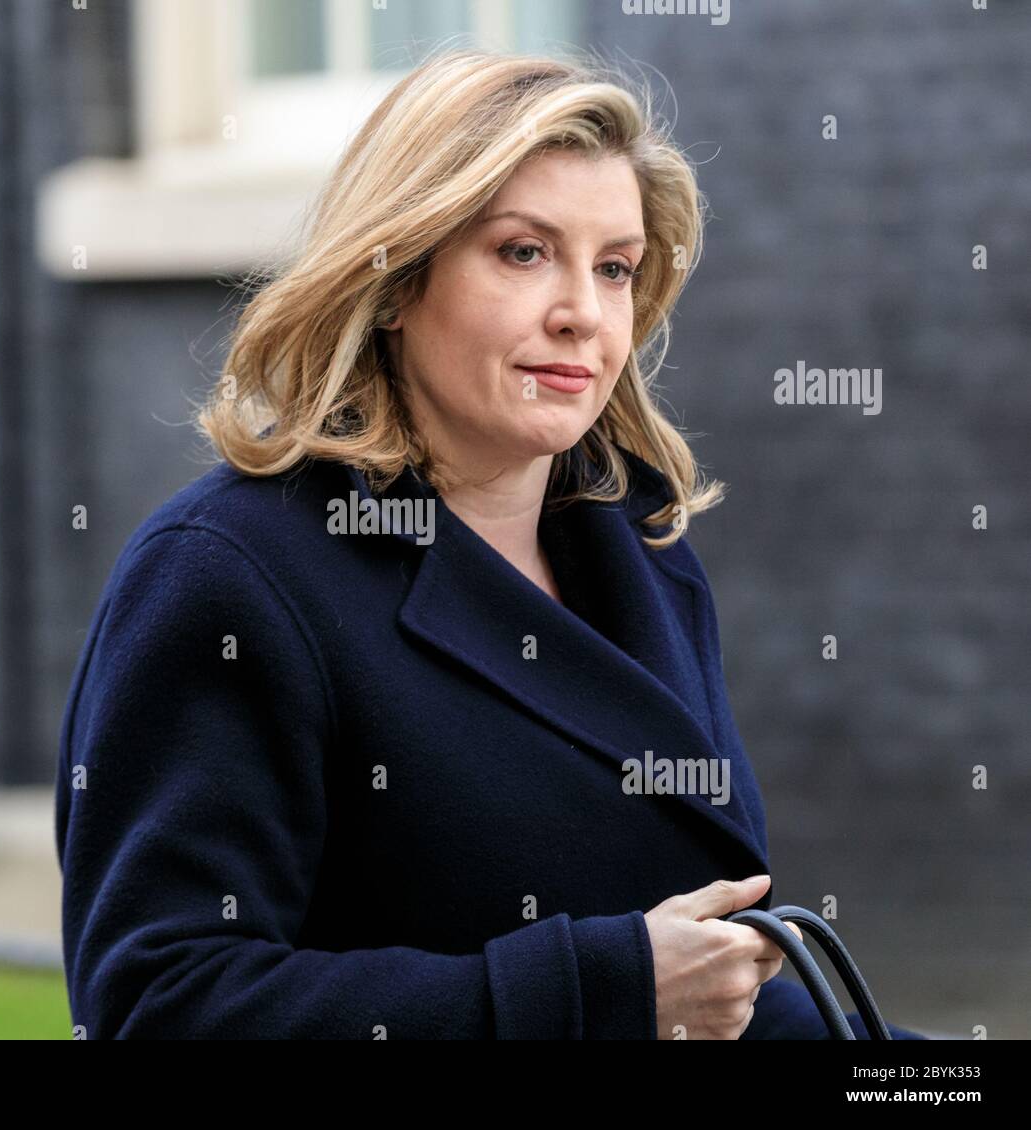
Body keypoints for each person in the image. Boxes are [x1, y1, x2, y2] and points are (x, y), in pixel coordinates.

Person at [54, 47, 926, 1040]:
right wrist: (594, 992)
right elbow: (159, 1005)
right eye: (522, 252)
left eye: (614, 268)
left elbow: (710, 993)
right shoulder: (228, 575)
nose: (582, 313)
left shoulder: (642, 553)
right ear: (393, 278)